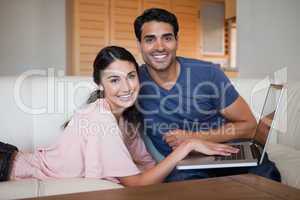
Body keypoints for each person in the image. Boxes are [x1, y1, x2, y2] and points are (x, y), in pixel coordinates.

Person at [0, 46, 239, 186]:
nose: (126, 87)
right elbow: (136, 184)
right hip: (9, 165)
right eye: (114, 79)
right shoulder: (101, 118)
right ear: (100, 83)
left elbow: (147, 165)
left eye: (131, 76)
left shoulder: (126, 118)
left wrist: (195, 159)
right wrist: (188, 146)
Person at [134, 8, 281, 182]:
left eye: (167, 38)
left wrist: (193, 137)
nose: (160, 47)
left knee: (267, 178)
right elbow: (105, 101)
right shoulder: (132, 81)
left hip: (227, 151)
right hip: (184, 163)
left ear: (176, 41)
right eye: (150, 40)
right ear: (139, 44)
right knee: (183, 189)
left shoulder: (208, 73)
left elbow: (249, 126)